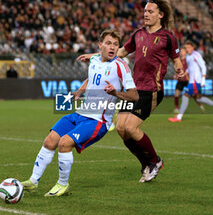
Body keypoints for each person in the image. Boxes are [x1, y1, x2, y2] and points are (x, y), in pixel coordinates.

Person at [77, 0, 185, 182]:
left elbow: (177, 61)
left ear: (160, 15)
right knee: (120, 128)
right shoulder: (138, 34)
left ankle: (154, 161)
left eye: (150, 11)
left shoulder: (168, 38)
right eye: (145, 11)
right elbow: (119, 53)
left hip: (152, 90)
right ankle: (145, 163)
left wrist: (180, 70)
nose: (146, 14)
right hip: (133, 90)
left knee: (131, 127)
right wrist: (94, 55)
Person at [21, 29, 138, 196]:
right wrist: (78, 92)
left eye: (116, 44)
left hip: (98, 121)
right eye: (108, 43)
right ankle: (33, 181)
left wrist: (115, 93)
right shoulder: (95, 60)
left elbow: (134, 95)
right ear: (100, 45)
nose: (112, 47)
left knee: (64, 143)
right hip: (80, 114)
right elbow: (91, 78)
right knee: (50, 141)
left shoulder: (121, 67)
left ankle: (62, 185)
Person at [169, 40, 213, 122]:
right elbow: (190, 68)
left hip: (195, 81)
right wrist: (184, 74)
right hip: (192, 81)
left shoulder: (196, 55)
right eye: (186, 48)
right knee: (199, 98)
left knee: (185, 95)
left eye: (188, 47)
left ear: (192, 48)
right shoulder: (188, 56)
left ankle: (179, 117)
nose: (187, 49)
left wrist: (203, 80)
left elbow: (203, 66)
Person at [173, 47, 205, 114]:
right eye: (180, 51)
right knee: (176, 94)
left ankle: (200, 105)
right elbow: (176, 68)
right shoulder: (178, 60)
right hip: (180, 81)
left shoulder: (188, 59)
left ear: (185, 52)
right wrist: (176, 75)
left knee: (194, 95)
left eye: (183, 51)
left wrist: (186, 74)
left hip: (188, 80)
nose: (181, 52)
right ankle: (176, 108)